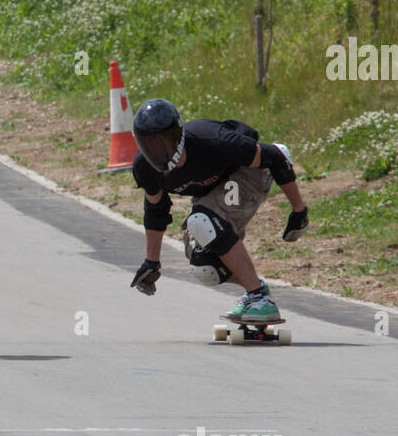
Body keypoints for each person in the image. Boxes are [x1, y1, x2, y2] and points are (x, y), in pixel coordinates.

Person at [128, 98, 309, 323]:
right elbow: (156, 210)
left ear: (180, 133)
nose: (160, 152)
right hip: (211, 194)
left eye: (165, 141)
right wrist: (151, 262)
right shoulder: (145, 167)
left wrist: (298, 211)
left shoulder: (213, 141)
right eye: (150, 145)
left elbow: (275, 158)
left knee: (202, 221)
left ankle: (259, 298)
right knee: (204, 267)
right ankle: (256, 288)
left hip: (247, 174)